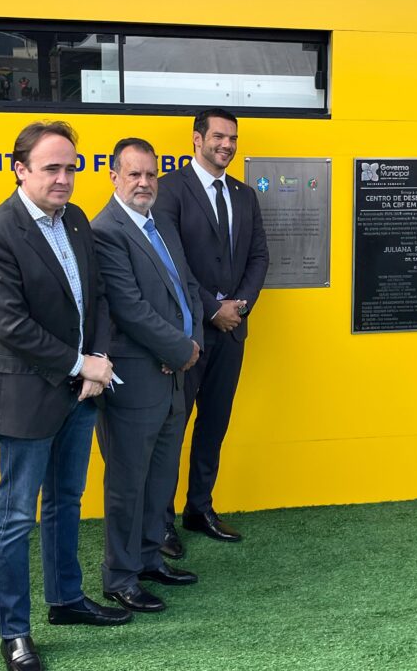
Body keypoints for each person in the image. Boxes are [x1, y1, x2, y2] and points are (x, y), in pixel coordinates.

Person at [0, 121, 132, 671]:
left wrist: (97, 360)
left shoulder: (77, 220)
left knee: (66, 501)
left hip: (81, 392)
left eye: (71, 167)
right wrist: (81, 363)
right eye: (51, 168)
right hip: (26, 397)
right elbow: (11, 325)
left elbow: (98, 299)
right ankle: (15, 633)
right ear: (20, 169)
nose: (63, 178)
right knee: (16, 516)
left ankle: (66, 600)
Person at [91, 138, 203, 613]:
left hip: (173, 374)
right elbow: (129, 308)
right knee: (128, 483)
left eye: (151, 174)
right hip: (137, 380)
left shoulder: (160, 223)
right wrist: (179, 349)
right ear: (114, 177)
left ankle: (149, 559)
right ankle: (120, 576)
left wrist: (190, 343)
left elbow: (188, 287)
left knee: (160, 478)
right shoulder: (105, 231)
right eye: (134, 174)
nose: (144, 183)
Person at [153, 107, 269, 552]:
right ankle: (160, 522)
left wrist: (240, 306)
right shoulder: (169, 190)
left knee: (214, 424)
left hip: (232, 331)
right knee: (172, 429)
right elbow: (171, 262)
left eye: (233, 138)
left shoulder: (244, 195)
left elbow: (259, 256)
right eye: (219, 136)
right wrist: (211, 308)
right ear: (197, 139)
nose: (227, 145)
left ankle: (199, 508)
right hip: (187, 334)